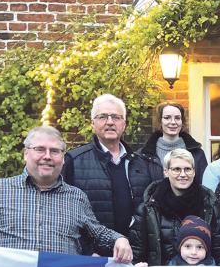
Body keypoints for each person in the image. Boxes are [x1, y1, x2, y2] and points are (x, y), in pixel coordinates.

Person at [0, 126, 132, 262]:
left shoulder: (76, 197)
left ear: (63, 159)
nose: (47, 156)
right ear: (26, 154)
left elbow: (98, 234)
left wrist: (119, 240)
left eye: (55, 151)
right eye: (40, 149)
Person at [63, 93, 155, 254]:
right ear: (93, 123)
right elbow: (65, 211)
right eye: (103, 117)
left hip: (134, 255)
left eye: (116, 117)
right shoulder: (74, 161)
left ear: (124, 124)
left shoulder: (142, 163)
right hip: (92, 255)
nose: (110, 122)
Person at [129, 148, 220, 267]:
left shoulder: (209, 203)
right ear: (166, 172)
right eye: (176, 169)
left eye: (187, 169)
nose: (183, 174)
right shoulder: (149, 207)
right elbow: (136, 254)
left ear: (194, 172)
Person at [137, 102, 209, 180]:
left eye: (177, 118)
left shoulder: (197, 153)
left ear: (182, 121)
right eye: (167, 118)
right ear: (160, 121)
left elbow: (203, 187)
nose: (173, 122)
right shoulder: (144, 155)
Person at [136, 215, 215, 267]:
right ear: (179, 248)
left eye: (200, 247)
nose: (193, 252)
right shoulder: (173, 265)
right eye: (187, 246)